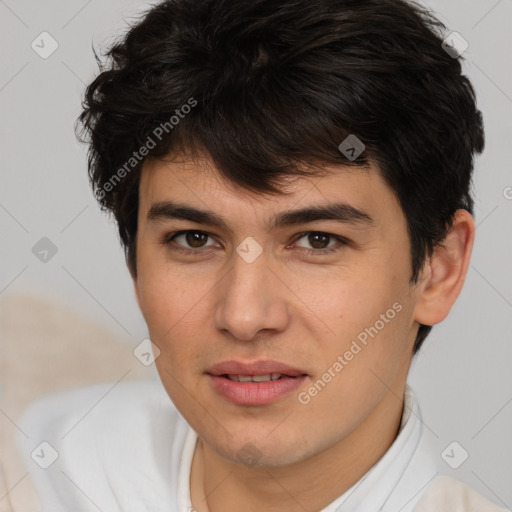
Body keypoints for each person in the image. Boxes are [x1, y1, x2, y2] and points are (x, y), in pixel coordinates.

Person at [17, 0, 508, 511]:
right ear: (135, 263)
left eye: (318, 240)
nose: (244, 316)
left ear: (438, 269)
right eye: (194, 239)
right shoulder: (35, 467)